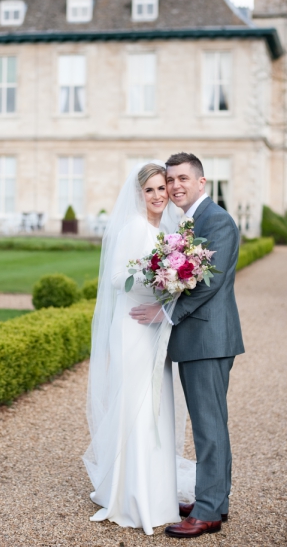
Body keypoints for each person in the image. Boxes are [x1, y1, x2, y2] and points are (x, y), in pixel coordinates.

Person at [130, 152, 244, 538]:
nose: (175, 186)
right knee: (209, 424)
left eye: (182, 179)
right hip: (199, 338)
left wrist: (166, 313)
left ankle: (209, 511)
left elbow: (209, 284)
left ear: (201, 182)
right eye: (171, 179)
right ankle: (214, 500)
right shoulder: (191, 221)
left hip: (208, 338)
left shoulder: (218, 221)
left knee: (209, 427)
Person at [83, 161, 196, 535]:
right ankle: (132, 497)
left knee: (158, 407)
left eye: (162, 188)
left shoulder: (164, 230)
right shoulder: (133, 228)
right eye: (150, 190)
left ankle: (157, 493)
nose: (159, 195)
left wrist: (169, 286)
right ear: (139, 195)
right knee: (138, 404)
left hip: (155, 326)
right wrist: (155, 277)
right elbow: (117, 277)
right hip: (133, 325)